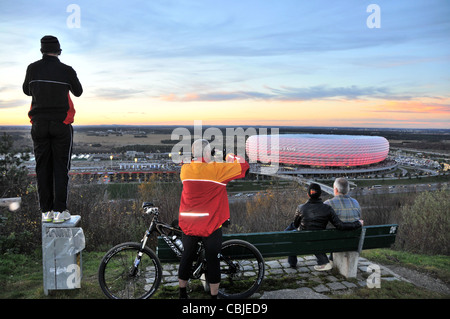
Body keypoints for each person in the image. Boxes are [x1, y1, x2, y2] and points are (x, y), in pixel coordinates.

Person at [177, 139, 249, 299]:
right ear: (208, 153)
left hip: (189, 224)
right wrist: (226, 154)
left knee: (186, 257)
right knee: (213, 261)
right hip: (211, 225)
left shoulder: (185, 170)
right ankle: (214, 297)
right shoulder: (217, 170)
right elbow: (244, 166)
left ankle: (182, 293)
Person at [23, 35, 83, 223]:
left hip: (39, 124)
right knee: (60, 167)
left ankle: (46, 211)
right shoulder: (66, 70)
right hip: (61, 124)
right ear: (58, 51)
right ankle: (60, 211)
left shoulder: (32, 69)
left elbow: (26, 90)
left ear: (42, 50)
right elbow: (78, 91)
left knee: (42, 167)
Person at [287, 183, 363, 271]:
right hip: (320, 241)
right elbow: (340, 225)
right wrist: (357, 223)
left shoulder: (301, 208)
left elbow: (295, 225)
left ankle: (292, 263)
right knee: (314, 238)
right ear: (320, 194)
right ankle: (323, 260)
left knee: (291, 232)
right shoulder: (327, 208)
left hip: (303, 242)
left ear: (308, 195)